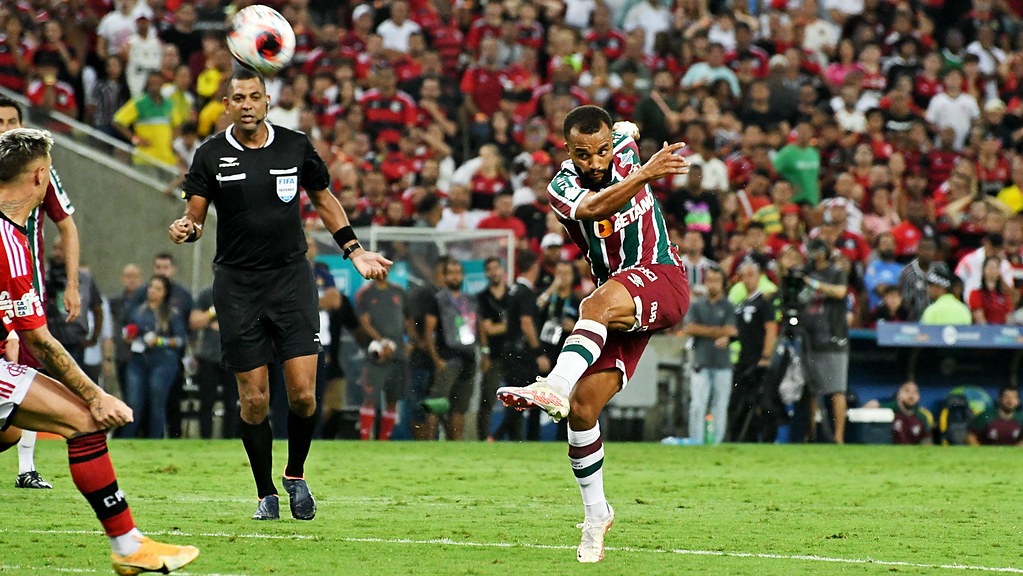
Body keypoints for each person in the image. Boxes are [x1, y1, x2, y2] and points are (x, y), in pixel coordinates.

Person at [168, 68, 391, 521]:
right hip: (236, 286)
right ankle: (264, 492)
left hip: (291, 280)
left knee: (304, 395)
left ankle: (295, 474)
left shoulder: (295, 145)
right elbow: (195, 213)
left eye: (255, 96)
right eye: (238, 98)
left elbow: (325, 200)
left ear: (268, 102)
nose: (247, 104)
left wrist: (354, 251)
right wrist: (187, 228)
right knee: (253, 399)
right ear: (227, 106)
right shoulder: (210, 154)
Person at [497, 106, 691, 563]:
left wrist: (631, 133)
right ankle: (596, 514)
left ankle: (553, 385)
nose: (596, 162)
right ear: (568, 150)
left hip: (662, 276)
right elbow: (599, 206)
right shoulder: (562, 188)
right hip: (620, 296)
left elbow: (628, 128)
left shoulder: (623, 145)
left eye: (603, 150)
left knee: (593, 304)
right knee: (584, 410)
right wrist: (644, 173)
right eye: (584, 154)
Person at [0, 127, 198, 574]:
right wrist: (98, 395)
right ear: (38, 177)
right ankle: (128, 547)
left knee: (8, 434)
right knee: (86, 421)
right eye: (49, 171)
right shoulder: (10, 244)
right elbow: (41, 341)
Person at [0, 96, 81, 490]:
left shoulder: (39, 171)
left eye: (13, 122)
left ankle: (26, 467)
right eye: (0, 122)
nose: (7, 129)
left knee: (27, 366)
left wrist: (73, 285)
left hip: (25, 285)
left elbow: (67, 224)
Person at [120, 275, 186, 439]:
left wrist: (160, 341)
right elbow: (126, 328)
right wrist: (128, 335)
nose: (152, 291)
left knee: (157, 402)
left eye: (158, 288)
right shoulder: (137, 311)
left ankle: (155, 438)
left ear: (165, 292)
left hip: (163, 361)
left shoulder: (172, 313)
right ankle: (127, 438)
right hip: (138, 360)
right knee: (134, 401)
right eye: (151, 287)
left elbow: (179, 340)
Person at [421, 259, 478, 441]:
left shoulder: (469, 300)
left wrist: (483, 351)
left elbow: (479, 327)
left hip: (468, 357)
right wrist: (436, 358)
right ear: (444, 276)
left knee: (459, 407)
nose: (455, 276)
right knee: (437, 402)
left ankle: (456, 444)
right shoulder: (437, 299)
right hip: (447, 357)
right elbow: (428, 331)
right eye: (451, 272)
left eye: (458, 272)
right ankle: (430, 441)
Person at [801, 238, 850, 444]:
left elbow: (840, 292)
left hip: (832, 337)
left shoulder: (836, 272)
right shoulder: (805, 272)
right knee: (811, 391)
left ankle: (838, 438)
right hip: (808, 336)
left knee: (836, 390)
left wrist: (815, 284)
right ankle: (810, 435)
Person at [683, 266, 737, 445]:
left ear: (723, 284)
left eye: (717, 281)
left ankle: (715, 443)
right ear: (705, 283)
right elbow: (689, 328)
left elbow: (732, 330)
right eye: (710, 280)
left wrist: (703, 330)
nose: (713, 285)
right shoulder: (696, 305)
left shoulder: (729, 306)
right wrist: (718, 332)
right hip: (701, 361)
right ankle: (696, 442)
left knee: (720, 406)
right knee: (698, 404)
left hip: (723, 363)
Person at [730, 259, 780, 443]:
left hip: (759, 359)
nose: (747, 279)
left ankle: (769, 438)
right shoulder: (741, 303)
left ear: (759, 277)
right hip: (744, 357)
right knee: (743, 399)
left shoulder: (765, 302)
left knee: (765, 400)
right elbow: (741, 331)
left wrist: (766, 356)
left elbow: (771, 329)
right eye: (744, 276)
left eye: (751, 275)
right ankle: (746, 437)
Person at [355, 274, 409, 441]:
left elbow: (407, 320)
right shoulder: (366, 293)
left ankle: (384, 439)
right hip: (376, 354)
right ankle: (365, 438)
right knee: (370, 397)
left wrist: (409, 342)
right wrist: (381, 341)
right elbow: (364, 321)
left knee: (393, 399)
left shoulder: (399, 292)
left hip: (398, 353)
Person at [864, 381, 933, 445]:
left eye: (915, 392)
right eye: (907, 391)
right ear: (898, 394)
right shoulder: (888, 409)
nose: (911, 395)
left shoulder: (922, 417)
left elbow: (927, 442)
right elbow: (871, 405)